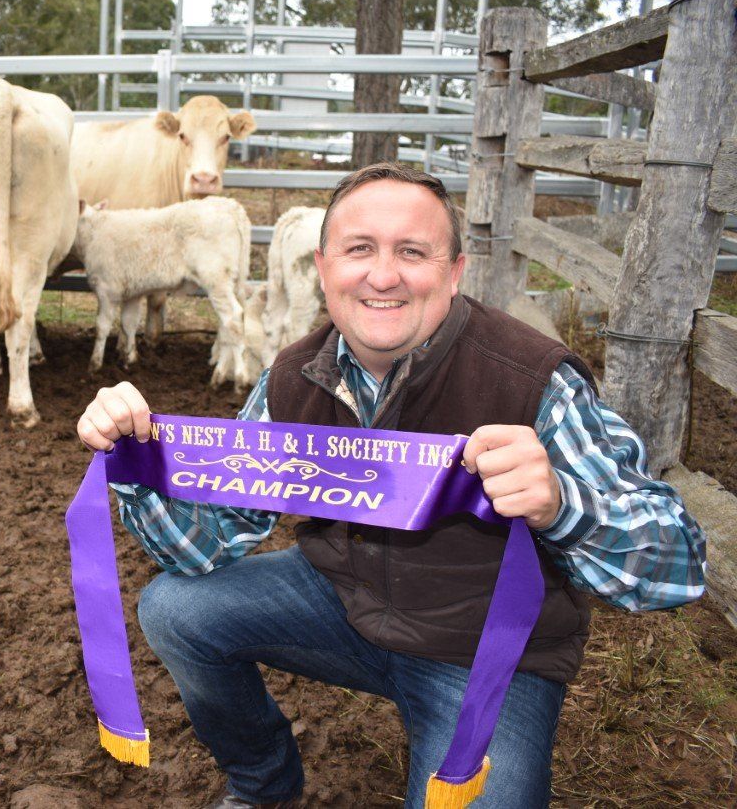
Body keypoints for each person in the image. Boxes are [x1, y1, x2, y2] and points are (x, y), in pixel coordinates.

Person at [74, 163, 706, 809]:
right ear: (323, 268)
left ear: (455, 271)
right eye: (359, 249)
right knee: (176, 608)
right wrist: (141, 469)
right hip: (342, 602)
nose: (382, 275)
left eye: (412, 251)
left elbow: (677, 568)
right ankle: (263, 783)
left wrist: (564, 505)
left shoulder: (533, 379)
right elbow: (203, 549)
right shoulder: (292, 379)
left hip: (483, 648)